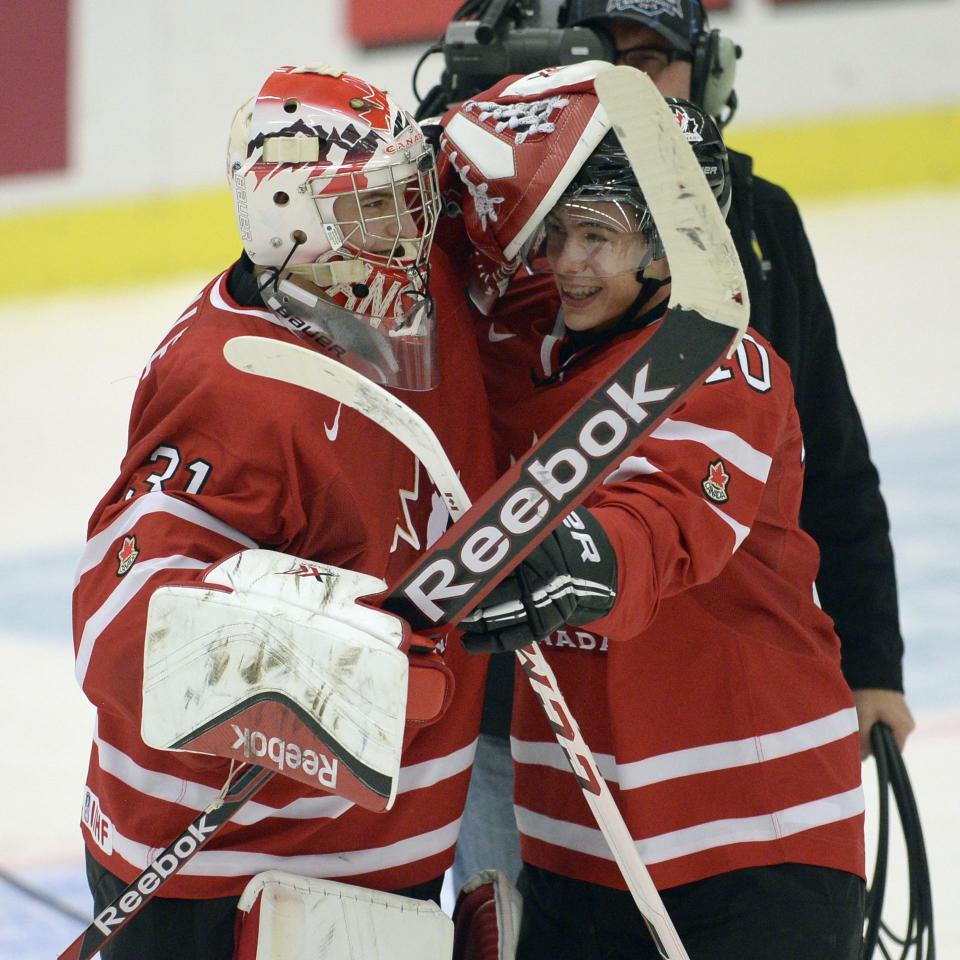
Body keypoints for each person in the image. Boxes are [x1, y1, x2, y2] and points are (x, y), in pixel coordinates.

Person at [449, 0, 913, 893]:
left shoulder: (758, 220)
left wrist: (875, 662)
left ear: (707, 73)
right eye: (601, 56)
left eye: (650, 58)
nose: (629, 83)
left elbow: (832, 458)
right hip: (523, 713)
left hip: (702, 710)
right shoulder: (506, 238)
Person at [72, 65, 496, 959]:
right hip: (218, 873)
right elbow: (119, 627)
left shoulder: (435, 307)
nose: (411, 228)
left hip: (388, 862)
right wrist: (333, 671)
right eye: (375, 206)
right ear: (290, 218)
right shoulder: (234, 382)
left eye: (408, 195)